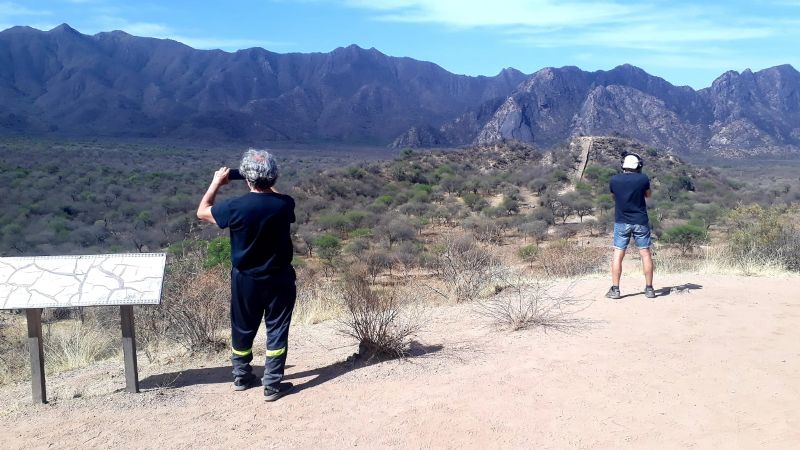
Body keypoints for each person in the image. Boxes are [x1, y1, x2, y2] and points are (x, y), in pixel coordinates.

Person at [196, 149, 297, 401]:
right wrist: (265, 181)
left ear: (247, 178)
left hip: (245, 279)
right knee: (277, 328)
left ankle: (242, 376)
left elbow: (202, 211)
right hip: (279, 278)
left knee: (243, 326)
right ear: (273, 176)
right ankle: (272, 384)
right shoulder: (285, 204)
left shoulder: (235, 207)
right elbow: (275, 195)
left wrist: (216, 183)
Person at [606, 153, 656, 299]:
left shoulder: (614, 180)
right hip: (640, 221)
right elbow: (648, 195)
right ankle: (649, 289)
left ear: (623, 165)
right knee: (645, 253)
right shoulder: (643, 179)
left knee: (618, 254)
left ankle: (615, 290)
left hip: (621, 221)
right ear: (638, 166)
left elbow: (613, 197)